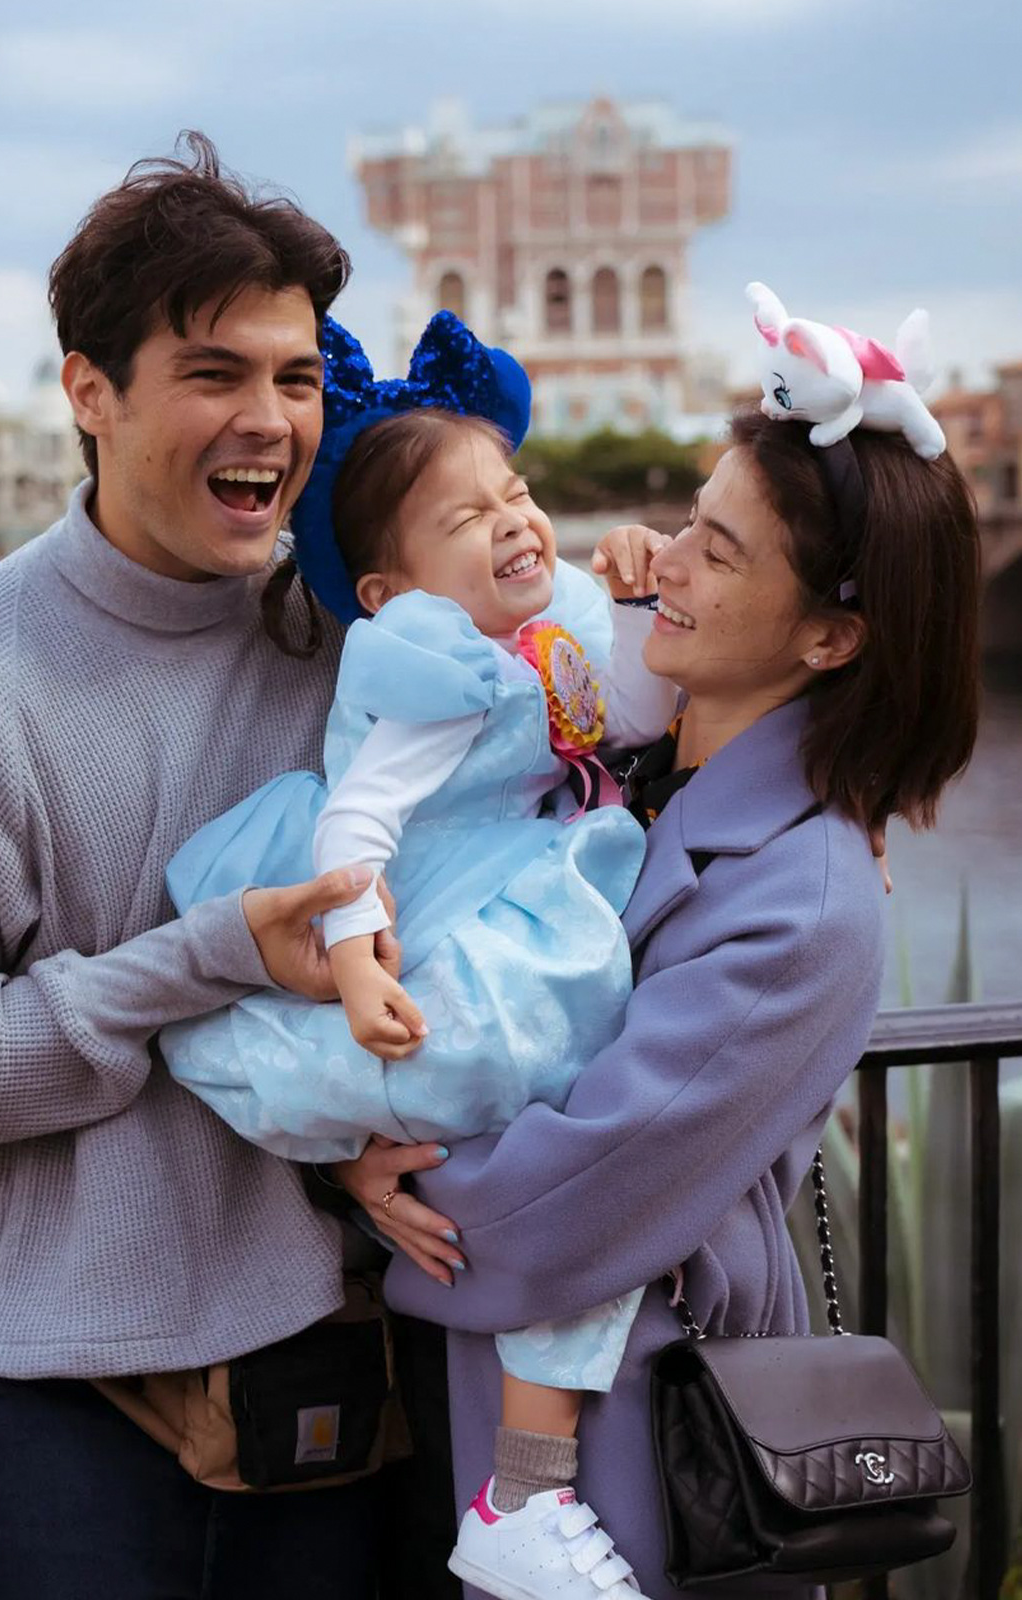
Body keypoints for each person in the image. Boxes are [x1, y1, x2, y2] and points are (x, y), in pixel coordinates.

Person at [0, 132, 434, 1600]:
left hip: (328, 1363)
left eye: (296, 379)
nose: (270, 420)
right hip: (34, 1398)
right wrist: (213, 953)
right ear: (89, 392)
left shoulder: (356, 655)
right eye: (214, 373)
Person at [336, 329, 982, 1599]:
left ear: (829, 641)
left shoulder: (802, 895)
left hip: (647, 1415)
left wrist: (377, 1178)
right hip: (549, 1376)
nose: (660, 561)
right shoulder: (640, 769)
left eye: (716, 552)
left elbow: (588, 1178)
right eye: (688, 521)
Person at [158, 311, 679, 1598]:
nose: (512, 523)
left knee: (574, 1141)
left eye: (514, 494)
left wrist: (629, 594)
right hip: (449, 903)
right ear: (389, 590)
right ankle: (523, 1488)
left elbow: (641, 716)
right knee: (552, 1107)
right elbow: (357, 817)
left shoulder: (545, 620)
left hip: (530, 878)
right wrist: (350, 954)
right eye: (468, 519)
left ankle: (522, 1484)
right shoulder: (427, 660)